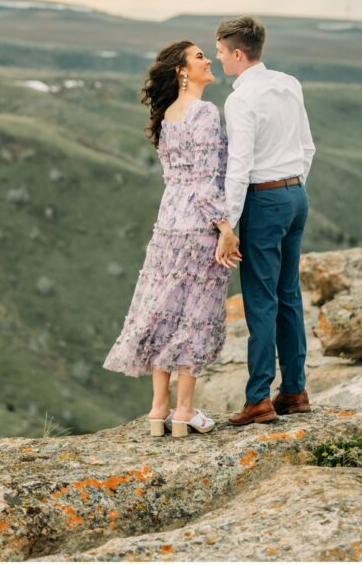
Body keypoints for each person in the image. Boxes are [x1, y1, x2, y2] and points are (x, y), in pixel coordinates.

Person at [103, 40, 240, 438]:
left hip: (167, 225)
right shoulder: (204, 112)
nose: (208, 60)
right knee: (195, 315)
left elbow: (178, 179)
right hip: (198, 226)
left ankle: (157, 410)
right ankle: (184, 411)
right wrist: (225, 228)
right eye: (199, 57)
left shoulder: (167, 116)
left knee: (164, 311)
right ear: (182, 71)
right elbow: (204, 181)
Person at [213, 16, 316, 427]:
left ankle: (259, 398)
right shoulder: (290, 84)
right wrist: (292, 186)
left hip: (263, 199)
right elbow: (307, 146)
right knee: (288, 293)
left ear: (238, 53)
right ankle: (294, 390)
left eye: (220, 51)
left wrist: (227, 225)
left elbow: (238, 168)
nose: (218, 58)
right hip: (295, 195)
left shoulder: (240, 101)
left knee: (260, 299)